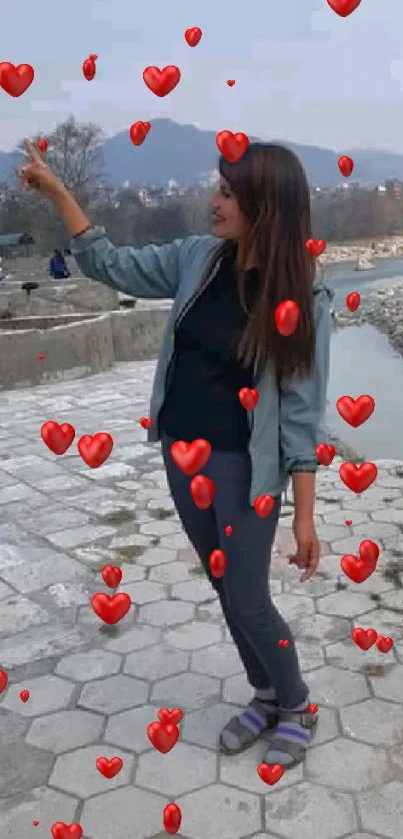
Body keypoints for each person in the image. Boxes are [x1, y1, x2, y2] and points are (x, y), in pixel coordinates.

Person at [19, 140, 332, 769]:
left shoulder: (300, 296)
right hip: (185, 461)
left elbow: (300, 416)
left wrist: (304, 516)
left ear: (263, 206)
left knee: (248, 595)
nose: (211, 202)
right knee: (224, 584)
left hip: (247, 470)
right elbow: (113, 264)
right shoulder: (197, 260)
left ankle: (297, 703)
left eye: (225, 193)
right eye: (216, 189)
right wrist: (59, 194)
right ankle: (266, 693)